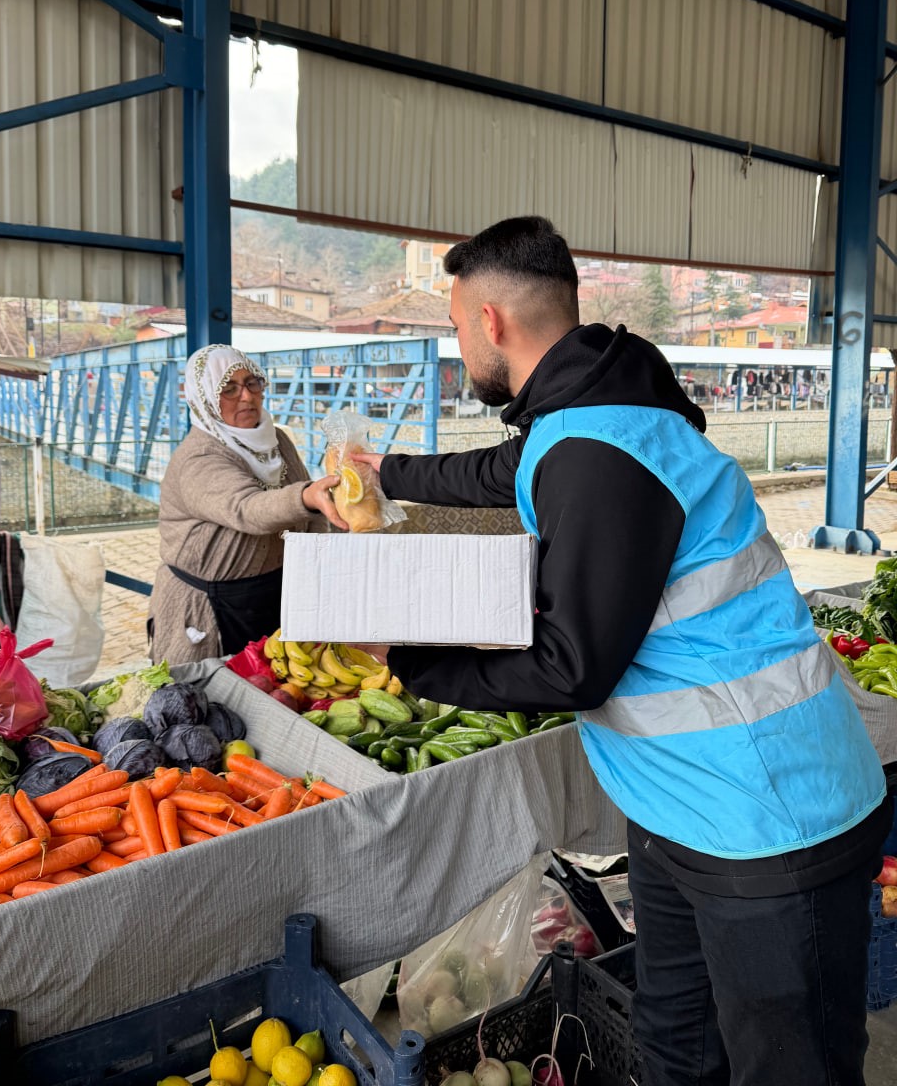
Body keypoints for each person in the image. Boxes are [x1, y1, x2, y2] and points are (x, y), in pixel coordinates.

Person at [353, 217, 891, 1086]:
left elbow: (575, 666)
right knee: (678, 1046)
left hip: (767, 820)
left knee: (790, 1068)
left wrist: (409, 658)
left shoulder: (599, 450)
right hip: (680, 810)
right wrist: (386, 474)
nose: (457, 344)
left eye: (455, 325)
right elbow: (504, 473)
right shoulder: (594, 409)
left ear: (491, 322)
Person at [147, 344, 345, 664]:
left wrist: (316, 560)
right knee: (211, 701)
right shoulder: (200, 456)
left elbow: (311, 511)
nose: (247, 396)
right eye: (229, 389)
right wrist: (306, 497)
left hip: (270, 596)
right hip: (210, 607)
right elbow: (247, 509)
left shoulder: (276, 440)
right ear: (206, 398)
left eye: (253, 383)